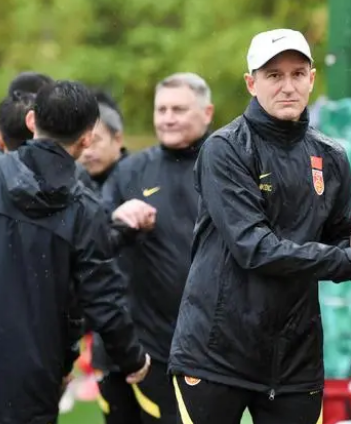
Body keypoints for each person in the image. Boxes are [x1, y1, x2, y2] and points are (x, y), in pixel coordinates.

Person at [168, 28, 351, 424]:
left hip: (295, 358)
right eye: (274, 75)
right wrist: (349, 262)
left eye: (297, 74)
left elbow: (332, 239)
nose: (288, 86)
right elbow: (254, 248)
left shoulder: (331, 155)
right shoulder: (225, 148)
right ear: (252, 83)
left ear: (312, 79)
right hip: (217, 352)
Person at [0, 80, 151, 424]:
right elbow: (102, 297)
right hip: (32, 377)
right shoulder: (84, 208)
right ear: (87, 138)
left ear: (32, 120)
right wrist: (133, 358)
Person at [93, 72, 214, 424]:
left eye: (178, 109)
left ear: (207, 113)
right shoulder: (130, 171)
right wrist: (116, 216)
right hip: (144, 345)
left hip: (211, 345)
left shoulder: (226, 166)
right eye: (161, 110)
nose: (168, 118)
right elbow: (93, 235)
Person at [78, 90, 128, 191]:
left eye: (94, 141)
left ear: (117, 139)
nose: (87, 153)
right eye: (80, 143)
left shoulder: (138, 179)